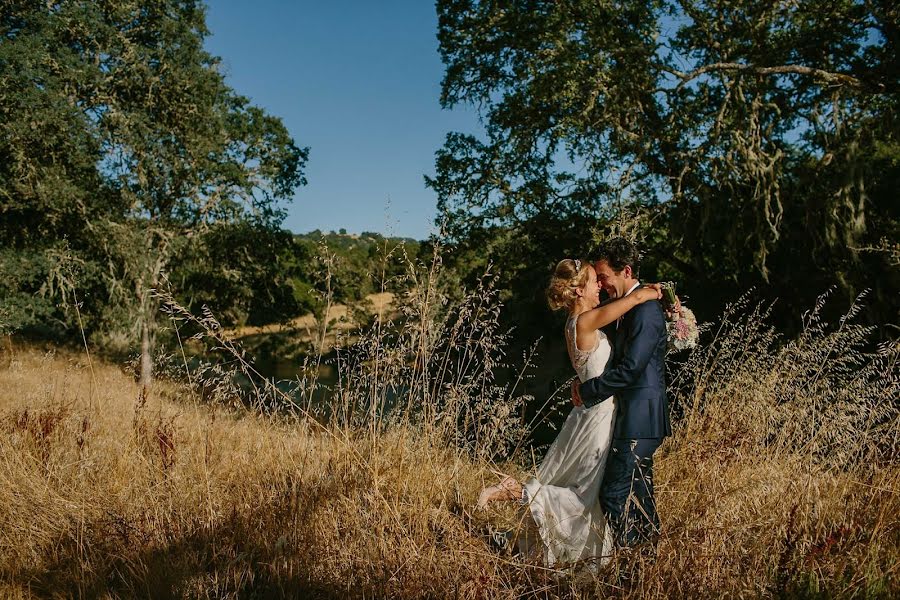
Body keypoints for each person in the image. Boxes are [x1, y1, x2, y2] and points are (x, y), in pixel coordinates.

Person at [477, 257, 661, 566]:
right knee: (583, 493)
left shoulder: (576, 322)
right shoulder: (587, 320)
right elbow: (636, 298)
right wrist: (656, 294)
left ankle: (540, 546)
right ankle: (512, 490)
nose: (599, 286)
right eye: (593, 281)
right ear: (577, 291)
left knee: (576, 487)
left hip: (591, 413)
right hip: (597, 418)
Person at [572, 238, 671, 551]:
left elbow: (630, 369)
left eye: (604, 277)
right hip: (631, 416)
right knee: (640, 496)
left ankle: (627, 564)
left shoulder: (646, 313)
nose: (600, 284)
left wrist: (588, 391)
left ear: (626, 271)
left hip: (642, 417)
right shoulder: (630, 307)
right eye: (597, 279)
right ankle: (646, 563)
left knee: (613, 494)